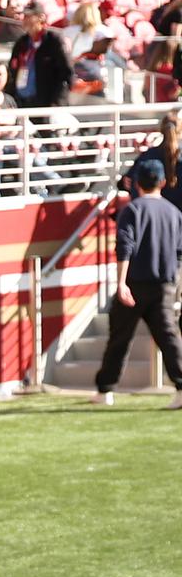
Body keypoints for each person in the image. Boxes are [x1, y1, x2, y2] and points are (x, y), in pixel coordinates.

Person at [95, 160, 182, 404]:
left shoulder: (132, 210)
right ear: (163, 182)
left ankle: (105, 391)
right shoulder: (174, 213)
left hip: (134, 283)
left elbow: (125, 248)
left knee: (119, 338)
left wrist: (121, 283)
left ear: (136, 183)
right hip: (164, 285)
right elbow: (179, 253)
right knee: (169, 337)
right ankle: (181, 387)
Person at [9, 2, 71, 108]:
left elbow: (66, 74)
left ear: (41, 18)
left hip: (45, 104)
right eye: (24, 16)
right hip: (21, 102)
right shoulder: (21, 43)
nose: (25, 20)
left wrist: (57, 102)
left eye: (29, 16)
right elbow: (12, 70)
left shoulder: (54, 42)